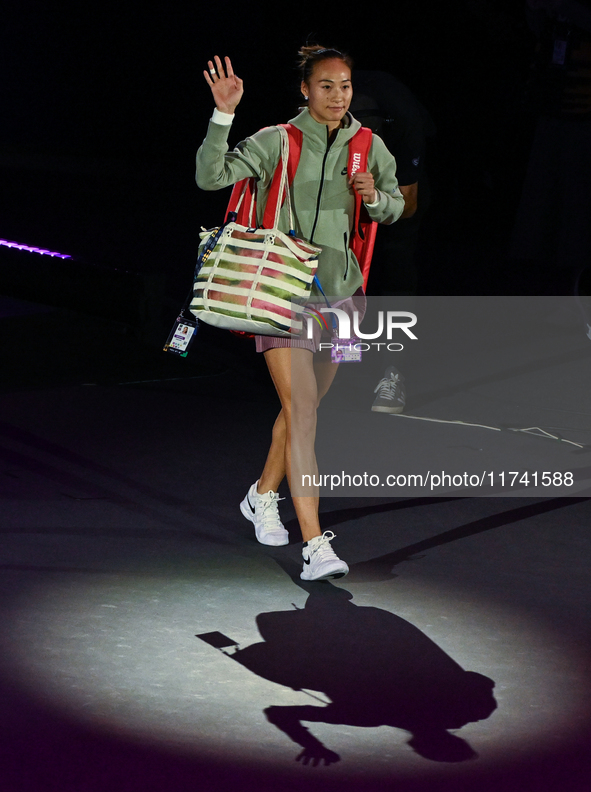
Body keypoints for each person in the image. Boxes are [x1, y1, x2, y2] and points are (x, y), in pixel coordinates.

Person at [196, 47, 405, 581]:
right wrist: (224, 114)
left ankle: (263, 494)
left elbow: (396, 205)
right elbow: (210, 177)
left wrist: (377, 197)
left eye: (346, 86)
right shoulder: (276, 141)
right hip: (282, 292)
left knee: (302, 411)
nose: (338, 96)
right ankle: (315, 543)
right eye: (327, 86)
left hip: (340, 294)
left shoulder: (368, 146)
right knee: (305, 413)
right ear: (306, 91)